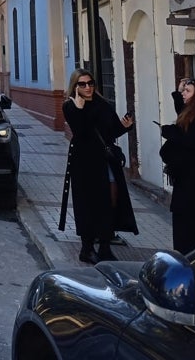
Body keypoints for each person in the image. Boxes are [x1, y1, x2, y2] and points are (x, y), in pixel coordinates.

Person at [62, 68, 138, 263]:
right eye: (83, 84)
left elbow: (110, 132)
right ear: (75, 86)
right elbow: (81, 132)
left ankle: (105, 247)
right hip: (84, 163)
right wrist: (79, 109)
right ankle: (87, 249)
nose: (88, 87)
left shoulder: (103, 104)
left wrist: (125, 126)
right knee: (87, 204)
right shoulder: (70, 106)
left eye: (90, 83)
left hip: (105, 161)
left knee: (110, 202)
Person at [161, 77, 195, 253]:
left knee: (192, 240)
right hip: (191, 189)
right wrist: (179, 92)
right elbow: (184, 115)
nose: (183, 93)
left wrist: (170, 132)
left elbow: (190, 139)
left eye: (187, 91)